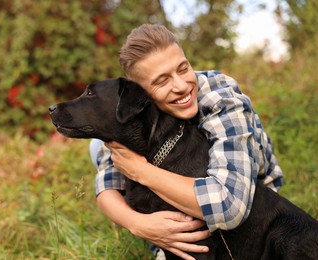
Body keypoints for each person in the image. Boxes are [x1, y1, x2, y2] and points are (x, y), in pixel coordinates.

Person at [90, 24, 284, 260]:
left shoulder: (220, 97)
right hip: (189, 201)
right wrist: (139, 224)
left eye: (183, 69)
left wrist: (140, 170)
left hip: (254, 216)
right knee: (96, 146)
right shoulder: (137, 111)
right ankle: (166, 236)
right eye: (162, 81)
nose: (181, 86)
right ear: (140, 96)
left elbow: (230, 207)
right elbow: (107, 186)